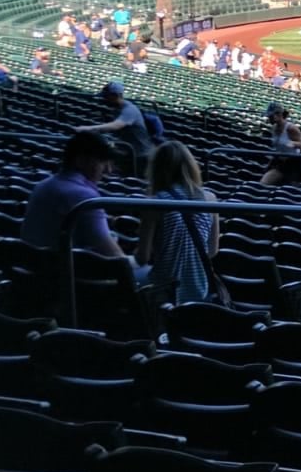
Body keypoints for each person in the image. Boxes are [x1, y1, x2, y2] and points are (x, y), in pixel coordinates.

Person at [21, 131, 130, 273]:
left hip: (39, 274)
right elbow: (117, 258)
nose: (108, 169)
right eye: (102, 161)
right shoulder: (84, 196)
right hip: (70, 283)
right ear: (80, 160)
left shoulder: (43, 185)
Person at [135, 140, 220, 306]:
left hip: (165, 291)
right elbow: (212, 251)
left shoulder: (154, 203)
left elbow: (142, 258)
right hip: (200, 289)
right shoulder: (210, 199)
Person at [80, 81, 155, 167]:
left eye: (106, 96)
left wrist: (87, 129)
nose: (104, 99)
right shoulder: (116, 109)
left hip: (143, 155)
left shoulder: (129, 109)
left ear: (116, 96)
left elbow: (115, 126)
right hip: (131, 153)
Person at [260, 102, 301, 186]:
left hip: (292, 163)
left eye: (271, 116)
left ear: (279, 115)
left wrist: (292, 143)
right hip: (279, 161)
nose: (269, 119)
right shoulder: (274, 128)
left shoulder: (291, 128)